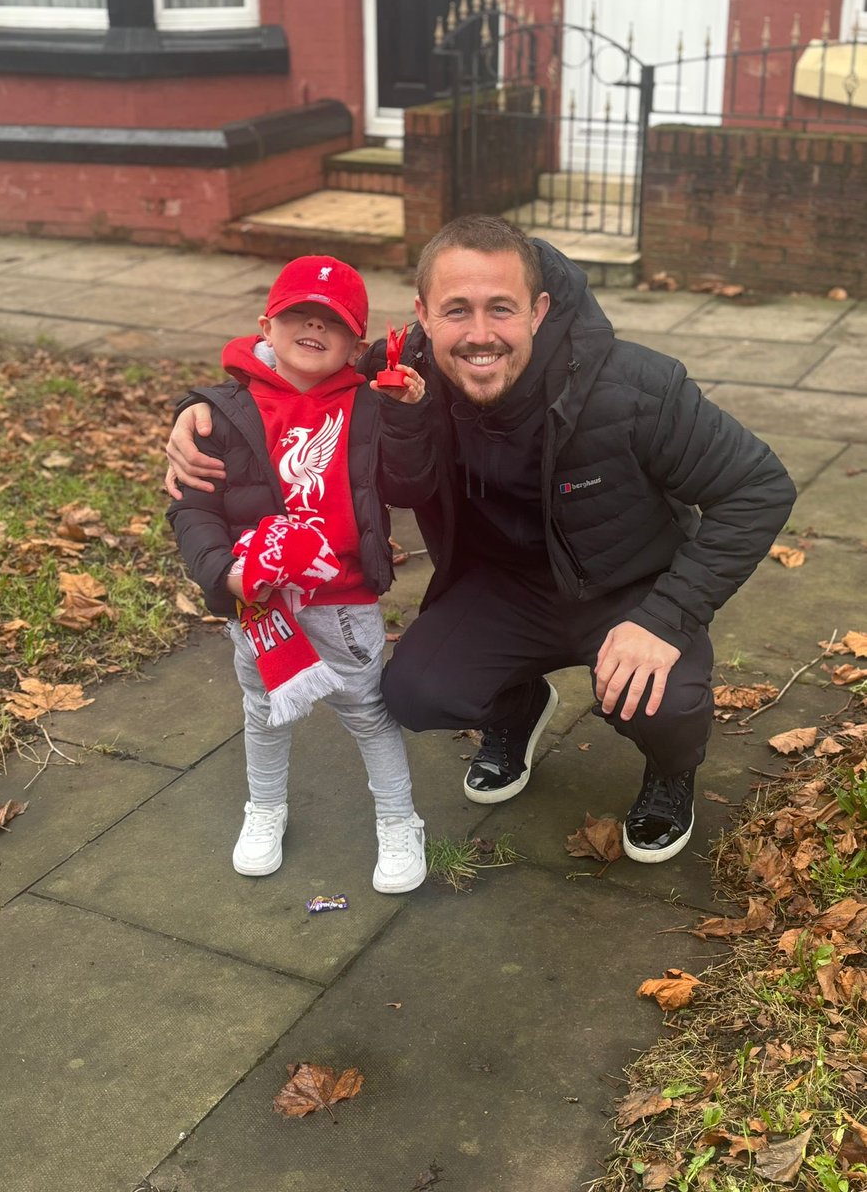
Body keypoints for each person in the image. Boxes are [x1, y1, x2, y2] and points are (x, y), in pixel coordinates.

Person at [167, 216, 796, 865]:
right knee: (414, 690)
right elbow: (296, 365)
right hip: (502, 589)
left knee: (661, 703)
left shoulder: (634, 388)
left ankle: (671, 771)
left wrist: (665, 620)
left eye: (501, 309)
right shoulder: (403, 367)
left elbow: (759, 487)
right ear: (423, 315)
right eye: (456, 310)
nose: (479, 334)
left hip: (627, 592)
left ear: (539, 309)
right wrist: (198, 413)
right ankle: (519, 707)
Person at [166, 254, 428, 893]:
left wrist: (406, 415)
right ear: (266, 324)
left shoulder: (369, 407)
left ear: (356, 345)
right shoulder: (221, 413)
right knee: (264, 710)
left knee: (366, 709)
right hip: (258, 603)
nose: (312, 328)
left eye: (330, 322)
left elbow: (411, 481)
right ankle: (265, 808)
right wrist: (222, 575)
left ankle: (399, 819)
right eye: (297, 316)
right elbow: (194, 507)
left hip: (344, 598)